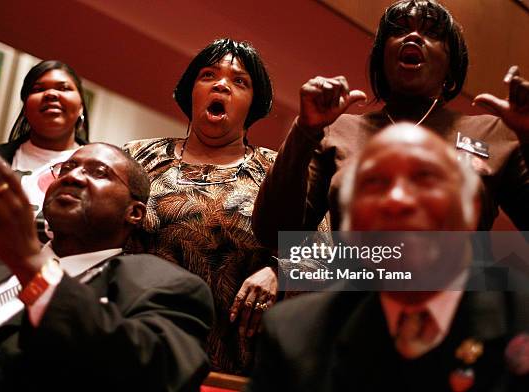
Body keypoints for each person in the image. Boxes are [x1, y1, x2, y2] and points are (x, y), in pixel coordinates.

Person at [248, 124, 529, 392]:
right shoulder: (295, 334)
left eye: (424, 178)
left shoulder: (521, 316)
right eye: (375, 183)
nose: (396, 199)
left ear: (470, 209)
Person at [0, 143, 213, 391]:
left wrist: (35, 269)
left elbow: (154, 376)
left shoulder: (162, 285)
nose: (72, 178)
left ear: (134, 213)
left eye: (99, 172)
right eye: (67, 169)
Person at [252, 0, 529, 248]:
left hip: (460, 300)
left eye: (432, 32)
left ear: (451, 65)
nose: (413, 36)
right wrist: (305, 130)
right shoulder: (337, 131)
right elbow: (274, 235)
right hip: (356, 299)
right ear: (382, 58)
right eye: (399, 29)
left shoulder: (492, 134)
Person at [124, 38, 282, 374]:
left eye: (240, 81)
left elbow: (333, 253)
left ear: (253, 103)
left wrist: (279, 272)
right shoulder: (137, 157)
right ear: (191, 91)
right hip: (134, 354)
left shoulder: (277, 171)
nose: (222, 84)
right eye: (208, 75)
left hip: (234, 366)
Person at [0, 60, 90, 241]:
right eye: (38, 89)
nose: (50, 94)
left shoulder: (104, 168)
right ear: (25, 107)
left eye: (63, 88)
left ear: (81, 106)